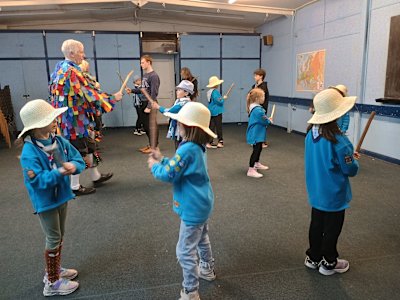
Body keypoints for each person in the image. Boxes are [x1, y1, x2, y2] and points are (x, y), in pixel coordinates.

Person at [148, 102, 217, 300]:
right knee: (202, 238)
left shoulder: (186, 149)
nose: (177, 125)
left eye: (180, 122)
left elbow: (169, 174)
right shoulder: (197, 147)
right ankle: (207, 268)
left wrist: (154, 166)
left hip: (193, 207)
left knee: (184, 251)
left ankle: (190, 291)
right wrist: (161, 158)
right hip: (203, 203)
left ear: (188, 127)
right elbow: (179, 166)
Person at [17, 99, 86, 296]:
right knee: (53, 237)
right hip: (46, 202)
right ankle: (52, 282)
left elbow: (77, 159)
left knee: (59, 235)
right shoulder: (29, 152)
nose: (56, 119)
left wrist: (74, 167)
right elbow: (37, 182)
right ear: (37, 125)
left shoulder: (58, 140)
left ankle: (54, 269)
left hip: (62, 196)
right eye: (50, 118)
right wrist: (60, 172)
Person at [49, 39, 123, 196]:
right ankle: (74, 186)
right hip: (73, 123)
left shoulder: (60, 69)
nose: (84, 55)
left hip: (75, 120)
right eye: (81, 52)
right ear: (72, 53)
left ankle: (95, 176)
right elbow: (90, 94)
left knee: (90, 147)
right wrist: (112, 99)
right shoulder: (71, 72)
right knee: (78, 152)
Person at [304, 88, 360, 276]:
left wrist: (348, 156)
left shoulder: (310, 135)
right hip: (334, 194)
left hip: (316, 191)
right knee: (332, 229)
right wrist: (353, 159)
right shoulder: (340, 142)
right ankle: (329, 262)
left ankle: (313, 257)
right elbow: (350, 170)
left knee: (316, 225)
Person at [152, 80, 194, 149]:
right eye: (177, 90)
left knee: (181, 147)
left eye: (180, 90)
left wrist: (158, 107)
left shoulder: (183, 103)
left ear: (186, 93)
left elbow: (169, 111)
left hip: (183, 129)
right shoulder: (179, 101)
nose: (177, 91)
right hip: (180, 127)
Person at [246, 88, 272, 178]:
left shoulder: (255, 108)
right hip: (256, 133)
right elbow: (264, 121)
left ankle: (256, 163)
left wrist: (267, 119)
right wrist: (269, 121)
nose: (264, 98)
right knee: (256, 150)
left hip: (257, 132)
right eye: (263, 96)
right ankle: (251, 169)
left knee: (259, 148)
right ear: (257, 98)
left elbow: (263, 119)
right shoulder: (258, 110)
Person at [139, 54, 160, 154]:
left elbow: (153, 93)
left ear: (149, 62)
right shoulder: (145, 75)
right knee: (146, 126)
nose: (141, 64)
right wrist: (133, 91)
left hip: (151, 103)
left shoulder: (154, 76)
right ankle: (151, 144)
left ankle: (154, 146)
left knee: (152, 126)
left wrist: (149, 106)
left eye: (143, 62)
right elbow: (143, 90)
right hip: (144, 102)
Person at [206, 76, 226, 149]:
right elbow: (219, 102)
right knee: (218, 127)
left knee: (211, 127)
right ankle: (220, 141)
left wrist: (221, 99)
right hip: (217, 111)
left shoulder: (209, 92)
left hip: (211, 111)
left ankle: (209, 141)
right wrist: (223, 99)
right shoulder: (215, 92)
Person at [252, 68, 270, 148]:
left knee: (261, 125)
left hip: (261, 108)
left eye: (256, 75)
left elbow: (260, 98)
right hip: (254, 108)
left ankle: (262, 141)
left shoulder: (263, 86)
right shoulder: (254, 86)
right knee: (255, 124)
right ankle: (256, 140)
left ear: (261, 76)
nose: (254, 77)